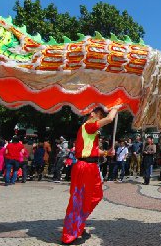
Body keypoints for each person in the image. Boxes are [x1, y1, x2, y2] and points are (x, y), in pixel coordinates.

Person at [61, 105, 120, 244]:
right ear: (92, 114)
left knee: (95, 196)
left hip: (91, 166)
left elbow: (93, 150)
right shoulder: (88, 126)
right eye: (100, 114)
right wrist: (117, 106)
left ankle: (78, 225)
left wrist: (106, 152)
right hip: (84, 166)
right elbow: (110, 118)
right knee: (78, 200)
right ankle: (69, 235)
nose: (101, 118)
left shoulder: (91, 130)